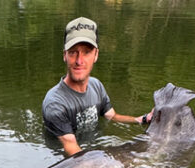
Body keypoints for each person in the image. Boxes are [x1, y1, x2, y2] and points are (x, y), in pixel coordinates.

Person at [42, 17, 153, 157]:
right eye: (73, 52)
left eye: (86, 52)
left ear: (96, 55)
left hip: (93, 152)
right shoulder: (55, 103)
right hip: (65, 162)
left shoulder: (96, 85)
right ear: (65, 55)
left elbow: (112, 116)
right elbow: (71, 147)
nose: (79, 61)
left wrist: (142, 119)